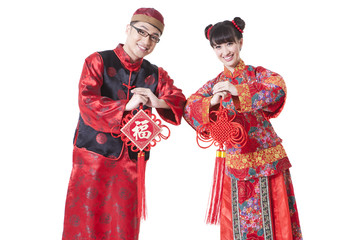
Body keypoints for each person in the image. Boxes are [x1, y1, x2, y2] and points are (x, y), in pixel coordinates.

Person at [62, 8, 186, 240]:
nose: (146, 41)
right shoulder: (98, 60)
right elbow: (86, 101)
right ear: (128, 29)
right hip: (92, 158)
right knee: (85, 222)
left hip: (131, 164)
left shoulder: (155, 74)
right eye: (142, 31)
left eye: (154, 37)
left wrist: (157, 101)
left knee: (124, 227)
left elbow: (178, 100)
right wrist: (126, 106)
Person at [183, 17, 302, 240]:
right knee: (239, 224)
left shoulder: (256, 74)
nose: (225, 51)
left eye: (229, 43)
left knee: (276, 221)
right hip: (236, 163)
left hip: (269, 162)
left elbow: (278, 87)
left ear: (240, 43)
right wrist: (213, 101)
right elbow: (189, 108)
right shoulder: (214, 84)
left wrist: (237, 90)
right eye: (218, 46)